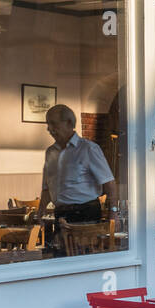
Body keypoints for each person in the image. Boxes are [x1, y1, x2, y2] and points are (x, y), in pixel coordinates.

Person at [36, 104, 118, 254]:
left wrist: (113, 213)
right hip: (60, 214)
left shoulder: (88, 149)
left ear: (68, 123)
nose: (49, 129)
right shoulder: (50, 152)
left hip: (86, 214)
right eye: (48, 124)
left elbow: (109, 183)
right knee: (61, 260)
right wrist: (40, 211)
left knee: (84, 260)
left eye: (53, 123)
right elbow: (47, 187)